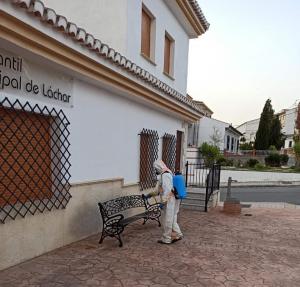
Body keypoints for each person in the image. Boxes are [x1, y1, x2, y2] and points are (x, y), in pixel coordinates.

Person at [145, 159, 183, 244]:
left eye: (155, 168)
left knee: (167, 219)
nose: (155, 171)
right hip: (173, 198)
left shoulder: (165, 175)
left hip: (170, 199)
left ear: (159, 167)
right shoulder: (167, 173)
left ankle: (166, 238)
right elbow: (159, 189)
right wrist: (150, 195)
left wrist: (163, 202)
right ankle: (178, 234)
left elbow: (167, 191)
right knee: (172, 218)